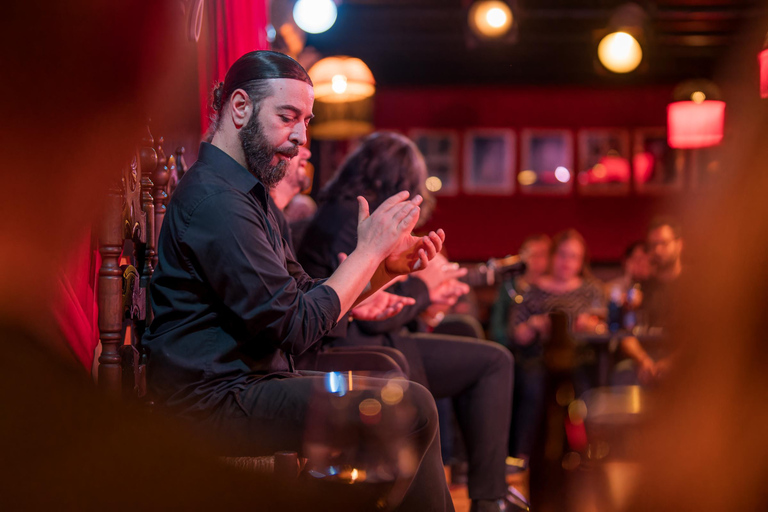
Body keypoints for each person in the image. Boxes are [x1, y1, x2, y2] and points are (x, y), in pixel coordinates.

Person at [143, 51, 454, 511]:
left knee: (403, 394)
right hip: (210, 404)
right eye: (288, 117)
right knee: (409, 406)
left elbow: (304, 296)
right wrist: (368, 251)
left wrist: (384, 268)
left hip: (246, 384)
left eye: (306, 121)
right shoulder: (216, 201)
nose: (299, 137)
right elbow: (297, 326)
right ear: (240, 107)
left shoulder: (248, 195)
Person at [298, 131, 515, 512]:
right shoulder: (350, 219)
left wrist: (426, 301)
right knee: (496, 361)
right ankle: (486, 496)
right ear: (398, 182)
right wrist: (425, 291)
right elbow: (368, 313)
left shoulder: (342, 210)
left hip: (374, 341)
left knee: (466, 332)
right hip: (355, 349)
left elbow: (376, 300)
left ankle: (476, 483)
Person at [508, 229, 604, 460]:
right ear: (553, 256)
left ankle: (583, 453)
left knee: (583, 388)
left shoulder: (591, 290)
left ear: (581, 261)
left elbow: (604, 327)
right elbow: (517, 334)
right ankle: (525, 456)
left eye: (573, 257)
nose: (567, 262)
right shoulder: (533, 290)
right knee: (534, 386)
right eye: (562, 254)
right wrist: (534, 324)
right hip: (539, 359)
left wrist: (590, 325)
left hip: (579, 359)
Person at [617, 217, 682, 385]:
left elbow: (702, 338)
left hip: (684, 361)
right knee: (622, 375)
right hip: (645, 360)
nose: (658, 250)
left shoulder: (695, 286)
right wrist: (642, 360)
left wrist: (672, 363)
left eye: (664, 244)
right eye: (653, 245)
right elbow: (625, 334)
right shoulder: (640, 289)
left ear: (679, 244)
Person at [489, 234, 552, 347]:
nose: (537, 260)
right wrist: (512, 337)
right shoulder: (510, 287)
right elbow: (497, 327)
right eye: (532, 255)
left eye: (542, 254)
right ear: (523, 256)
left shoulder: (556, 288)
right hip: (514, 350)